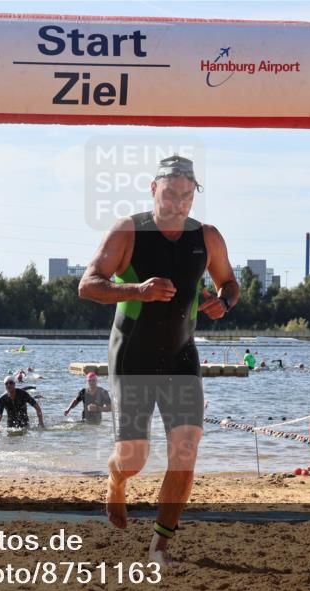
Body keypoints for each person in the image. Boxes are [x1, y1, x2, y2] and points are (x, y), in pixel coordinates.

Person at [78, 154, 238, 564]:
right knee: (134, 457)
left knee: (186, 448)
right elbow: (88, 285)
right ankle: (115, 482)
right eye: (170, 194)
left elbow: (229, 283)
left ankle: (160, 546)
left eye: (187, 196)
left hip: (182, 354)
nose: (178, 203)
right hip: (133, 353)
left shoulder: (208, 236)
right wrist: (138, 291)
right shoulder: (129, 231)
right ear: (154, 189)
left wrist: (223, 303)